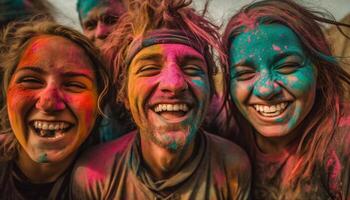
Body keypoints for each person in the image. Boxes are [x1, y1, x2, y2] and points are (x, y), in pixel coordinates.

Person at [71, 0, 251, 199]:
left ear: (210, 92)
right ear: (124, 93)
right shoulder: (93, 175)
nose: (174, 84)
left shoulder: (233, 168)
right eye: (149, 68)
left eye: (192, 69)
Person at [222, 0, 350, 199]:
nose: (266, 89)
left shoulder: (343, 143)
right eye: (245, 73)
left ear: (321, 74)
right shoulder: (222, 131)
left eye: (287, 66)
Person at [0, 18, 110, 199]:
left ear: (100, 102)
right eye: (31, 81)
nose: (49, 103)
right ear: (7, 92)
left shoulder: (118, 182)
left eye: (74, 85)